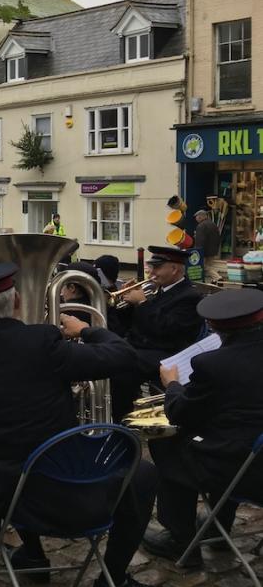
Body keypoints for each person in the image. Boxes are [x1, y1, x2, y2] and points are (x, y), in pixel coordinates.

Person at [0, 263, 165, 587]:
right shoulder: (44, 342)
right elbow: (123, 356)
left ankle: (32, 553)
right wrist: (86, 331)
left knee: (21, 451)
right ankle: (114, 582)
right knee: (145, 474)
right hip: (66, 488)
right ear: (18, 300)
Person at [143, 289, 263, 565]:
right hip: (253, 456)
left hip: (245, 471)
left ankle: (180, 539)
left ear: (215, 327)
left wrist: (171, 384)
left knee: (166, 443)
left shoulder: (212, 363)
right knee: (236, 439)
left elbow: (180, 414)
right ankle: (219, 528)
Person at [111, 246, 204, 421]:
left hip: (167, 352)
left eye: (157, 267)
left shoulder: (190, 296)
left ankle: (120, 420)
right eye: (151, 267)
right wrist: (127, 301)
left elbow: (168, 331)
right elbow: (132, 323)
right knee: (108, 352)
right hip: (142, 346)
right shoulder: (158, 289)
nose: (151, 272)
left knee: (120, 368)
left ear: (174, 269)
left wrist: (143, 303)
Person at [192, 209, 222, 283]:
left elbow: (200, 240)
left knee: (205, 266)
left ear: (200, 217)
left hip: (204, 251)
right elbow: (218, 237)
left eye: (197, 217)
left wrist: (197, 251)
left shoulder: (201, 226)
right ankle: (214, 279)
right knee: (209, 265)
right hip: (213, 250)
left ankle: (217, 277)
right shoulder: (213, 224)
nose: (196, 219)